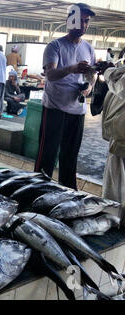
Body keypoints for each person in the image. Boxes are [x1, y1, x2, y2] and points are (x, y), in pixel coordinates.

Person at [34, 3, 97, 190]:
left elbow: (90, 76)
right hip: (55, 109)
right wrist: (73, 68)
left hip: (77, 111)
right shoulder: (55, 46)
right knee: (47, 155)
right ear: (69, 21)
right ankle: (36, 190)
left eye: (86, 22)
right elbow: (51, 75)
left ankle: (68, 193)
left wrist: (89, 87)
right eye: (80, 21)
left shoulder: (89, 48)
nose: (84, 25)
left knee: (70, 157)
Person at [101, 65, 125, 204]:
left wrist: (108, 72)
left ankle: (115, 220)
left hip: (121, 137)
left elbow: (122, 87)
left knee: (115, 185)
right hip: (119, 134)